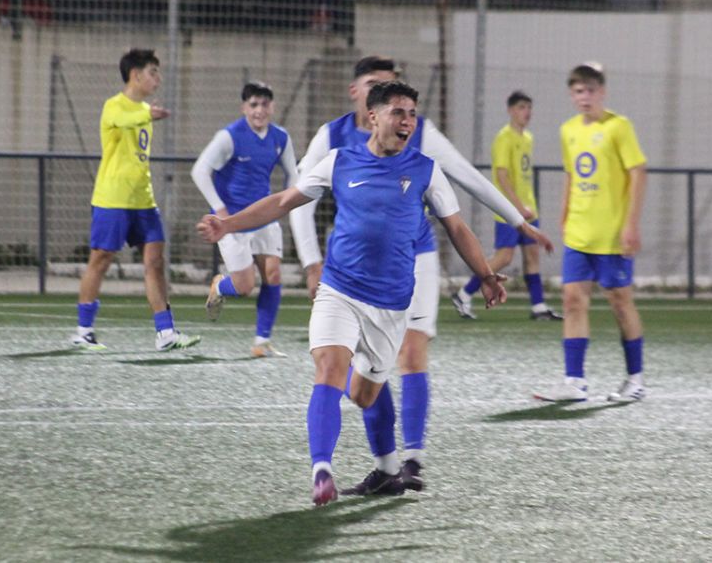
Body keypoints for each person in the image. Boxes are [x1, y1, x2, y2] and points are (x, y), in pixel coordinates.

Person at [198, 81, 506, 506]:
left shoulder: (424, 170)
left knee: (364, 394)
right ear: (373, 115)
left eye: (413, 113)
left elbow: (457, 228)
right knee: (329, 368)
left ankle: (386, 468)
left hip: (390, 305)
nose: (408, 122)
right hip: (339, 289)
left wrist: (486, 274)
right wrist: (229, 224)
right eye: (399, 112)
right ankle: (321, 469)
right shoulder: (338, 161)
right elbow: (285, 200)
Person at [289, 56, 552, 496]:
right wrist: (311, 260)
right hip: (351, 267)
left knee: (411, 353)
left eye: (392, 86)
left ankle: (412, 459)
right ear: (359, 95)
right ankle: (387, 465)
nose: (396, 102)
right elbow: (294, 198)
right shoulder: (331, 140)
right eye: (376, 85)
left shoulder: (418, 133)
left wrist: (517, 221)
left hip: (414, 259)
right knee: (358, 375)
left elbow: (465, 176)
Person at [70, 48, 200, 352]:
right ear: (135, 75)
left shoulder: (142, 110)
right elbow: (123, 119)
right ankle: (83, 330)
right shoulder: (114, 106)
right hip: (112, 198)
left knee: (155, 261)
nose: (158, 78)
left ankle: (165, 333)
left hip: (143, 200)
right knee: (100, 261)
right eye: (153, 72)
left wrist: (147, 113)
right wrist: (148, 114)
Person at [534, 62, 647, 403]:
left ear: (603, 92)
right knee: (572, 301)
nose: (585, 97)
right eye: (579, 91)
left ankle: (635, 380)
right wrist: (565, 212)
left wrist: (631, 224)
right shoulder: (568, 130)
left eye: (591, 91)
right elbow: (571, 173)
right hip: (580, 233)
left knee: (619, 302)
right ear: (572, 95)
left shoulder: (618, 127)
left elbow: (638, 173)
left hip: (611, 234)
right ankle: (575, 382)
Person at [191, 82, 299, 358]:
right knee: (244, 287)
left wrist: (287, 202)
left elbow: (293, 174)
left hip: (264, 216)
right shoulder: (229, 136)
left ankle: (261, 342)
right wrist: (220, 209)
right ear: (244, 108)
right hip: (232, 222)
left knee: (273, 274)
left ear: (272, 107)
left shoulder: (280, 137)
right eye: (253, 105)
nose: (259, 110)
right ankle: (219, 285)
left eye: (265, 104)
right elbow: (200, 171)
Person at [452, 91, 562, 321]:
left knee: (532, 255)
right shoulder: (504, 138)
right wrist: (517, 207)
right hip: (509, 211)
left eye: (529, 107)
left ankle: (539, 305)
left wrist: (528, 206)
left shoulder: (527, 138)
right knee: (504, 257)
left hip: (528, 209)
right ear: (511, 110)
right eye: (522, 107)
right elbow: (502, 177)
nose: (527, 112)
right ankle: (464, 294)